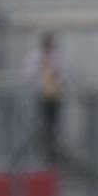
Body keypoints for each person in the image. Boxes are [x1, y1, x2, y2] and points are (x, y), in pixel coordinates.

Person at [23, 32, 64, 163]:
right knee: (40, 125)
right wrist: (40, 66)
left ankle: (52, 151)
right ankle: (39, 151)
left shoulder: (56, 56)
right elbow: (27, 76)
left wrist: (57, 75)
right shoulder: (34, 57)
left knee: (52, 126)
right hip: (39, 96)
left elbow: (63, 74)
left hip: (53, 96)